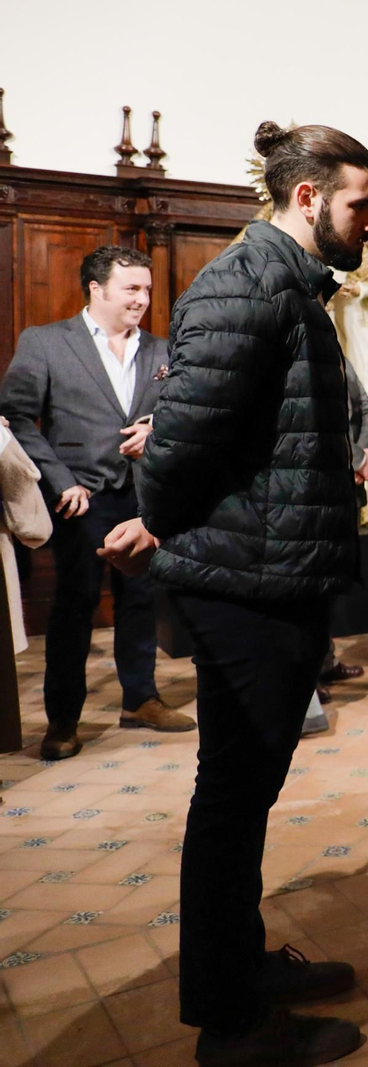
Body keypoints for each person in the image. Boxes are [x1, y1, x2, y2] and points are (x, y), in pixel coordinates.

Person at [99, 120, 368, 1065]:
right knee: (231, 800)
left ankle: (247, 965)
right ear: (308, 199)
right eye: (361, 206)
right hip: (245, 585)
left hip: (273, 571)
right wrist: (161, 518)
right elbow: (178, 449)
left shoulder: (288, 287)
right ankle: (230, 1019)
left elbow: (260, 429)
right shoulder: (243, 283)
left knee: (246, 796)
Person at [0, 246, 194, 761]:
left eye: (146, 289)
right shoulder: (44, 342)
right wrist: (60, 480)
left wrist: (155, 430)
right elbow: (17, 418)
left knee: (139, 599)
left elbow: (183, 412)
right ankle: (63, 720)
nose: (142, 299)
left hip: (143, 495)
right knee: (74, 606)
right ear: (96, 288)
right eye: (131, 288)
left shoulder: (163, 350)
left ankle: (141, 699)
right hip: (79, 498)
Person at [315, 355, 368, 709]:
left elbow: (367, 408)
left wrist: (367, 452)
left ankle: (326, 660)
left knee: (335, 578)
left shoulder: (337, 351)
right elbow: (321, 418)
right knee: (315, 580)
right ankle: (307, 674)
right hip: (320, 482)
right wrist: (356, 458)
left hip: (349, 483)